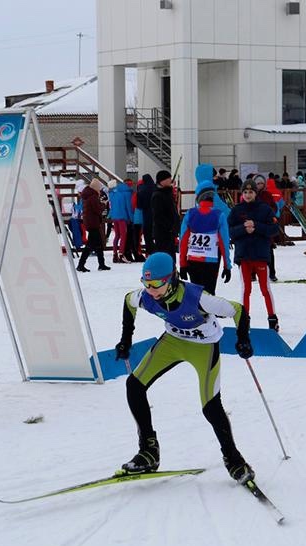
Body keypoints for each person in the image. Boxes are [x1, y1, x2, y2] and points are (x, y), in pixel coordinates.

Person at [114, 252, 256, 483]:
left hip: (204, 346)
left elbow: (237, 309)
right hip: (173, 342)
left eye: (157, 284)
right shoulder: (146, 296)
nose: (151, 290)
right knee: (134, 385)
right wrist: (125, 340)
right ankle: (149, 451)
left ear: (172, 279)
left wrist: (243, 339)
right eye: (146, 283)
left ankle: (233, 459)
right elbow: (128, 301)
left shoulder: (198, 297)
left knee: (210, 406)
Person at [228, 179, 279, 330]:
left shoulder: (264, 209)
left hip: (260, 255)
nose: (248, 195)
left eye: (251, 192)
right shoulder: (237, 210)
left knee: (265, 288)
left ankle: (272, 318)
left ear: (255, 193)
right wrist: (243, 228)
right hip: (244, 256)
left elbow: (274, 229)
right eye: (245, 192)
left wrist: (256, 227)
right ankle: (245, 319)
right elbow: (230, 231)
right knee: (246, 289)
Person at [178, 182, 232, 294]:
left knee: (196, 294)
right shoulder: (219, 215)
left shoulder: (190, 214)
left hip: (193, 259)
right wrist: (227, 266)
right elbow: (224, 242)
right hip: (211, 260)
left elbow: (183, 241)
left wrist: (183, 264)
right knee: (209, 294)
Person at [76, 178, 111, 272]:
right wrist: (103, 204)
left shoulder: (89, 195)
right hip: (93, 223)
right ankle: (81, 264)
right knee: (90, 244)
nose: (100, 190)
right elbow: (97, 209)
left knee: (98, 243)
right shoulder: (93, 197)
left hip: (90, 222)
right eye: (99, 188)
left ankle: (101, 264)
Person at [151, 169, 180, 259]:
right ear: (162, 181)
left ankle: (172, 271)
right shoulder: (158, 195)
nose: (170, 180)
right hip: (163, 232)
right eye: (168, 178)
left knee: (171, 255)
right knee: (164, 255)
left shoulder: (167, 193)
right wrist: (169, 227)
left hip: (170, 232)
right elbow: (158, 216)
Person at [107, 178, 134, 263]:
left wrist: (109, 215)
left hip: (114, 217)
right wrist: (131, 218)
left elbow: (111, 207)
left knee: (117, 236)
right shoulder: (124, 194)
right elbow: (128, 207)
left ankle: (115, 254)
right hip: (122, 217)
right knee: (123, 236)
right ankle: (121, 254)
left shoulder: (111, 194)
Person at [137, 173, 157, 255]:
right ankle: (157, 249)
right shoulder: (156, 188)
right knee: (156, 233)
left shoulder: (142, 190)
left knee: (147, 233)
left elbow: (139, 205)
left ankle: (149, 250)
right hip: (156, 213)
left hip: (146, 213)